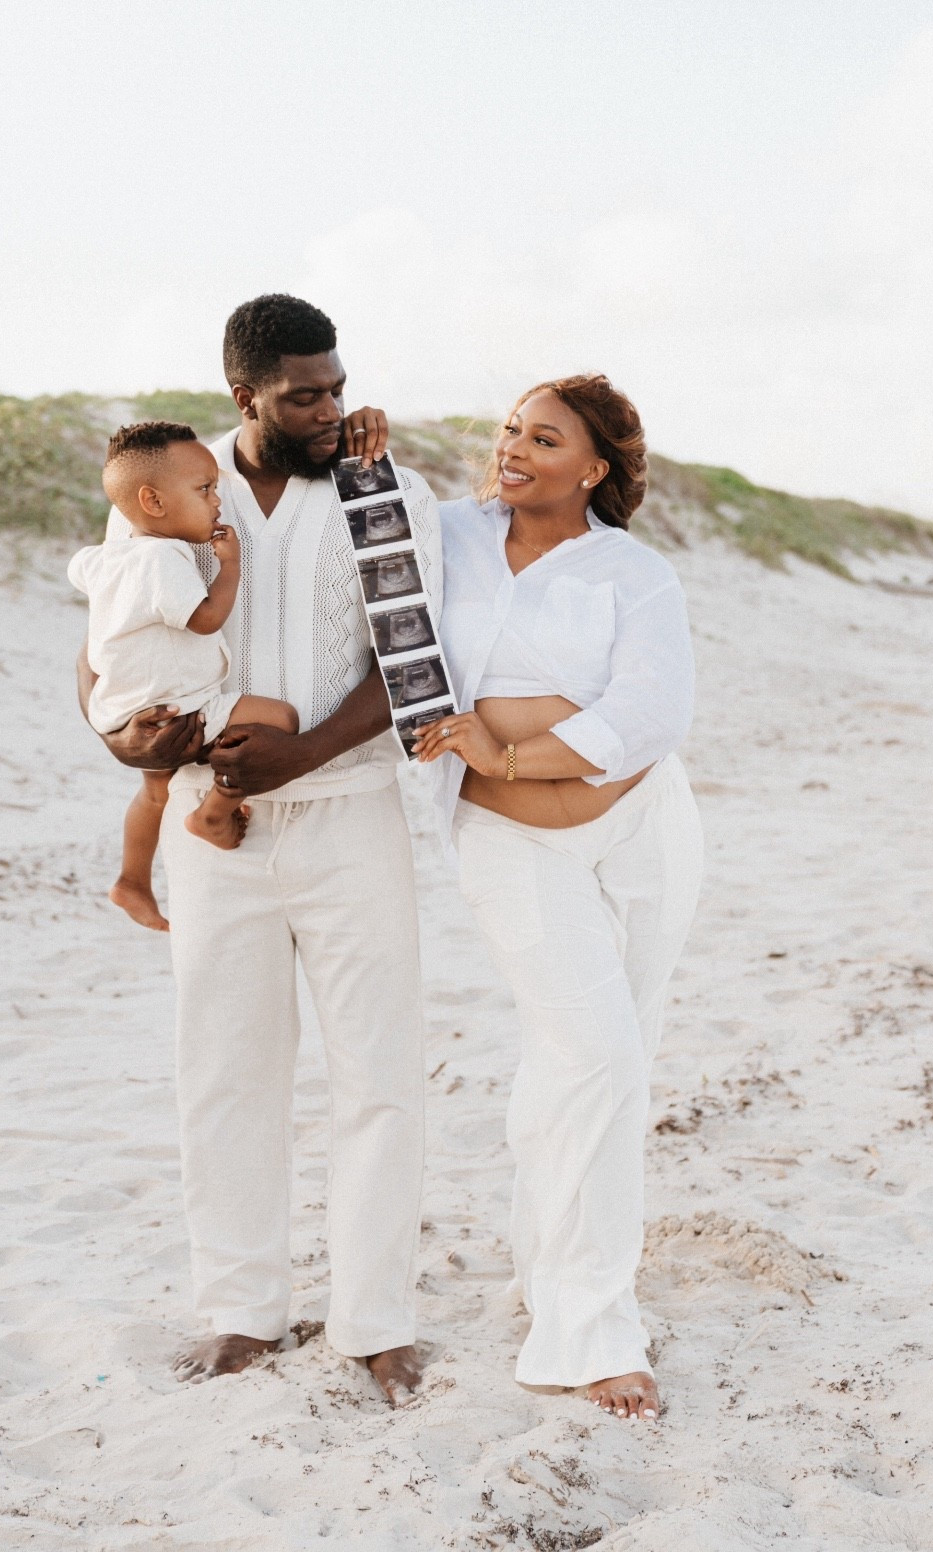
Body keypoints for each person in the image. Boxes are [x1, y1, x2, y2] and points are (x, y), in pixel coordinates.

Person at [76, 294, 441, 1407]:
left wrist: (305, 754)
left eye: (336, 386)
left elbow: (410, 660)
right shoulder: (182, 488)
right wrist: (115, 731)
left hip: (351, 815)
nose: (329, 408)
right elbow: (107, 647)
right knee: (227, 1072)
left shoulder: (385, 487)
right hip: (211, 830)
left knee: (379, 1073)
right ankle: (242, 1313)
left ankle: (376, 1321)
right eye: (302, 394)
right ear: (246, 394)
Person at [414, 373, 701, 1423]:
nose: (515, 448)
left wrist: (521, 748)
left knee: (589, 1058)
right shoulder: (446, 536)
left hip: (644, 832)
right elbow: (363, 520)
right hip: (506, 842)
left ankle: (551, 1272)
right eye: (508, 431)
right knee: (599, 1056)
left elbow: (655, 704)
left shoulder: (634, 572)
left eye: (545, 437)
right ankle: (592, 1328)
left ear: (594, 467)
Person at [69, 421, 299, 929]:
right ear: (152, 502)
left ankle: (132, 880)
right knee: (280, 718)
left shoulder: (107, 559)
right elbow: (205, 619)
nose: (217, 501)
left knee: (154, 792)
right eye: (204, 490)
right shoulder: (162, 560)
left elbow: (79, 570)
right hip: (180, 709)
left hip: (127, 708)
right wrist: (230, 567)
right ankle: (214, 811)